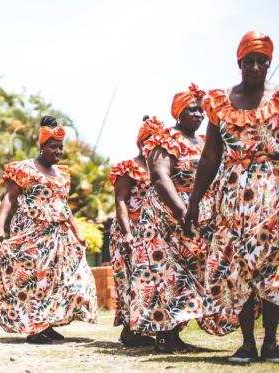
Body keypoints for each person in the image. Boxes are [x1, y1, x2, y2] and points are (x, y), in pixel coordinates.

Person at [185, 31, 279, 363]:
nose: (255, 67)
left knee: (272, 266)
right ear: (238, 63)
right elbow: (210, 157)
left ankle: (271, 342)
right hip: (234, 196)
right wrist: (194, 202)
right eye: (249, 61)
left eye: (262, 61)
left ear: (269, 63)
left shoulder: (278, 99)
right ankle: (247, 344)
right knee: (238, 267)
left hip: (272, 194)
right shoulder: (220, 103)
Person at [129, 84, 237, 353]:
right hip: (167, 217)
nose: (199, 114)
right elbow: (159, 176)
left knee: (195, 274)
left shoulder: (205, 142)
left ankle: (174, 331)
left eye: (201, 109)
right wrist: (181, 213)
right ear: (178, 113)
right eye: (192, 109)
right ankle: (165, 334)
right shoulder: (166, 139)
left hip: (200, 216)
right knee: (168, 274)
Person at [0, 115, 97, 344]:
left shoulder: (62, 175)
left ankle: (46, 324)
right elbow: (8, 198)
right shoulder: (24, 169)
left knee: (57, 281)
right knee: (33, 280)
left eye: (61, 147)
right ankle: (34, 328)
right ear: (42, 147)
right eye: (53, 146)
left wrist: (78, 233)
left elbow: (64, 206)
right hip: (31, 232)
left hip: (58, 234)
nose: (58, 151)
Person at [109, 116, 163, 347]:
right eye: (148, 141)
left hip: (153, 231)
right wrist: (128, 233)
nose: (152, 145)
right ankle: (129, 330)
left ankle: (143, 327)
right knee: (130, 282)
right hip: (129, 230)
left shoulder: (163, 167)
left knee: (152, 282)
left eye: (157, 141)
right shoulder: (128, 168)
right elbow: (120, 201)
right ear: (140, 142)